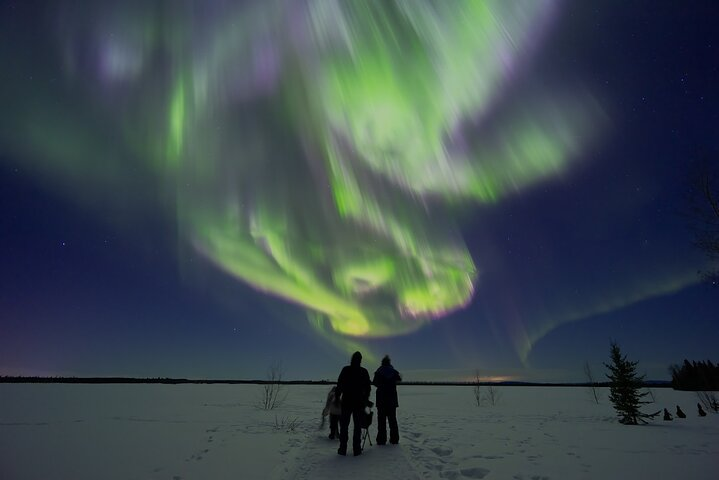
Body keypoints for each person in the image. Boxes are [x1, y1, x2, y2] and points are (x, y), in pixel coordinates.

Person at [335, 351, 371, 456]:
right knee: (357, 427)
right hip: (358, 403)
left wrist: (337, 397)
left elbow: (339, 384)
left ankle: (342, 449)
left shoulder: (346, 370)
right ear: (360, 360)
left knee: (344, 426)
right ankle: (357, 449)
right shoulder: (363, 371)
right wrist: (365, 399)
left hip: (347, 402)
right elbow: (368, 388)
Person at [373, 354, 402, 445]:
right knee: (392, 420)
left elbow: (374, 382)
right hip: (392, 400)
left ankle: (381, 440)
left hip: (381, 400)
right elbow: (399, 379)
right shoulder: (393, 371)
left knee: (381, 421)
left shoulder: (379, 371)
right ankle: (394, 439)